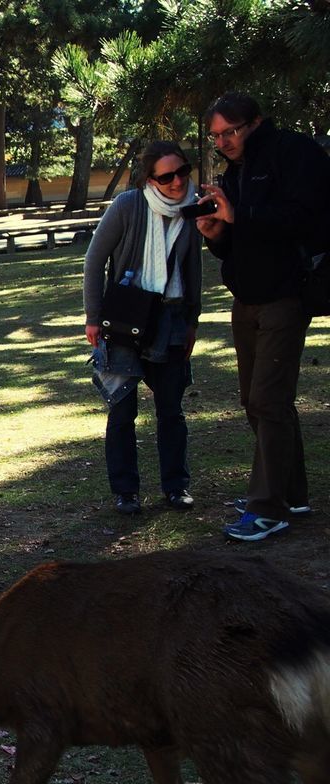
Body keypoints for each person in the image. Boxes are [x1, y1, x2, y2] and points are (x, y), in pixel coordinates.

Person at [196, 92, 330, 541]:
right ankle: (292, 493)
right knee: (256, 402)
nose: (224, 142)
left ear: (255, 122)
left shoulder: (294, 153)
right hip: (246, 297)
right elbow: (238, 237)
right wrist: (217, 233)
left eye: (229, 132)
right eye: (216, 136)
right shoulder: (235, 171)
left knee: (269, 401)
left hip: (285, 295)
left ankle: (267, 508)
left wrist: (242, 214)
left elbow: (305, 218)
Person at [84, 141, 203, 515]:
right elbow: (95, 258)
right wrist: (92, 316)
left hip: (170, 318)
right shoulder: (128, 205)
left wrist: (192, 321)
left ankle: (176, 486)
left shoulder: (192, 209)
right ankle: (126, 492)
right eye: (165, 176)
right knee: (122, 410)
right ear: (149, 179)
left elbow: (193, 269)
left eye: (181, 172)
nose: (176, 182)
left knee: (171, 409)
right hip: (125, 317)